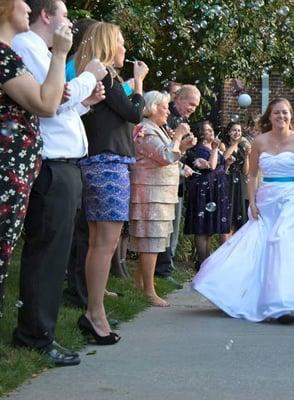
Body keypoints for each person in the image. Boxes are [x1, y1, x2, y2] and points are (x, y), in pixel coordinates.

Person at [10, 0, 106, 367]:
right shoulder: (28, 46)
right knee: (46, 252)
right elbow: (52, 101)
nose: (68, 22)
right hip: (51, 164)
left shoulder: (42, 50)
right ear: (46, 15)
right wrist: (90, 76)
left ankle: (39, 330)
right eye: (64, 14)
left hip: (64, 163)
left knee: (54, 251)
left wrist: (85, 101)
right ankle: (34, 334)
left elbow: (62, 104)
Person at [191, 98, 294, 324]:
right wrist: (253, 202)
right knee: (261, 247)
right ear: (270, 116)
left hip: (293, 199)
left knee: (283, 243)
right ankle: (261, 298)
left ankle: (287, 303)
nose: (281, 117)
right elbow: (253, 175)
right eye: (277, 113)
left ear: (290, 115)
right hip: (267, 199)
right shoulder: (259, 142)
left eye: (285, 113)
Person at [76, 22, 148, 345]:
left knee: (98, 243)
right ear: (107, 44)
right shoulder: (105, 73)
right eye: (120, 42)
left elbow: (116, 118)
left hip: (99, 162)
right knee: (104, 244)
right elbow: (134, 112)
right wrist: (141, 84)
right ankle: (95, 313)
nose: (124, 49)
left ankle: (95, 309)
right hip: (108, 166)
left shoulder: (97, 74)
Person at [0, 0, 70, 327]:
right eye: (20, 1)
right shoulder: (4, 55)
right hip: (6, 172)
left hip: (15, 172)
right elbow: (46, 104)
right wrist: (60, 54)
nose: (27, 5)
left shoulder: (9, 54)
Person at [129, 91, 196, 306]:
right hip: (150, 192)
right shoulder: (145, 129)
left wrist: (182, 147)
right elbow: (164, 156)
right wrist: (177, 136)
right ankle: (148, 290)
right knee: (150, 240)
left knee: (154, 239)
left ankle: (141, 284)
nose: (168, 110)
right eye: (164, 107)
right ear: (152, 107)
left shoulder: (155, 128)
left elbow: (171, 154)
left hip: (160, 192)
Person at [154, 84, 200, 288]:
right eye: (191, 104)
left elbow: (179, 151)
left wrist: (191, 159)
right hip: (164, 179)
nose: (193, 109)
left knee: (172, 226)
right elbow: (163, 151)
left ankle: (166, 266)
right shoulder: (166, 118)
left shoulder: (182, 121)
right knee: (165, 227)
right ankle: (162, 269)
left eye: (196, 106)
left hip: (177, 179)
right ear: (178, 98)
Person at [184, 120, 230, 268]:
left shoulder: (213, 147)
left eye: (211, 130)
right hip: (203, 189)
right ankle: (202, 262)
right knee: (201, 228)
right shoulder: (198, 149)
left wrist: (227, 163)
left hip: (215, 189)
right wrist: (216, 149)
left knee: (209, 229)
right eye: (207, 130)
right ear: (201, 133)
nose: (211, 132)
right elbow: (211, 166)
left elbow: (221, 167)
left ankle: (206, 261)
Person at [222, 121, 250, 232]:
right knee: (228, 216)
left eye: (239, 131)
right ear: (229, 132)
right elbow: (224, 158)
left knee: (239, 215)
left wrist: (247, 156)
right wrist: (235, 144)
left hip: (240, 182)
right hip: (228, 180)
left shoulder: (242, 148)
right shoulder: (224, 145)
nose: (237, 132)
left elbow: (245, 172)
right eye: (234, 130)